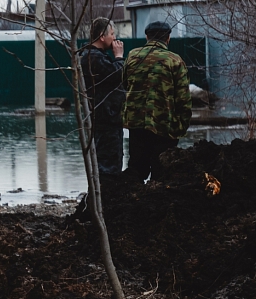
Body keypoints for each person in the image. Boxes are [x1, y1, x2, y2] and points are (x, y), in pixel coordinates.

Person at [122, 20, 192, 182]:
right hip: (165, 124)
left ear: (147, 37)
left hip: (136, 123)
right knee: (162, 170)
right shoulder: (174, 61)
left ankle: (132, 203)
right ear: (168, 39)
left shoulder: (133, 56)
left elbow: (125, 84)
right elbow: (183, 98)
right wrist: (181, 126)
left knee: (136, 169)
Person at [79, 17, 126, 176]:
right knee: (108, 164)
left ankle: (104, 196)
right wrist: (119, 57)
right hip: (105, 119)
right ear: (101, 36)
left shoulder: (93, 56)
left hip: (105, 118)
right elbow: (116, 75)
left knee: (108, 160)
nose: (114, 38)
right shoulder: (94, 57)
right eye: (112, 34)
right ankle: (107, 197)